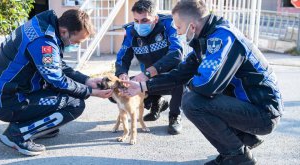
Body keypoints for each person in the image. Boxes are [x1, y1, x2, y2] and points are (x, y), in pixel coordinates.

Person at [120, 0, 283, 164]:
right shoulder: (205, 38)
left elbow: (206, 85)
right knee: (193, 97)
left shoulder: (222, 38)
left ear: (192, 26)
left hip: (264, 113)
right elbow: (180, 73)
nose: (178, 32)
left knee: (193, 101)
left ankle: (238, 157)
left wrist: (186, 82)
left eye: (178, 27)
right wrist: (143, 86)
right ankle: (237, 145)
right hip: (249, 106)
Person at [0, 9, 113, 156]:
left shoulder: (42, 25)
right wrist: (90, 92)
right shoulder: (44, 42)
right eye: (75, 41)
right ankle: (17, 135)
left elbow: (56, 66)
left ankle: (37, 127)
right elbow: (57, 80)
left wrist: (87, 80)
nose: (75, 45)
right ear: (64, 32)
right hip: (5, 101)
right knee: (75, 103)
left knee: (63, 93)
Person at [115, 0, 184, 135]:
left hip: (170, 77)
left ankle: (175, 115)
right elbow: (122, 57)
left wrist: (148, 72)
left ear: (155, 18)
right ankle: (156, 101)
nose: (139, 24)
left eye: (145, 20)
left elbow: (176, 54)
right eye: (136, 20)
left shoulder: (168, 25)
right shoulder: (131, 31)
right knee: (118, 91)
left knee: (180, 81)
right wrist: (122, 73)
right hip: (148, 78)